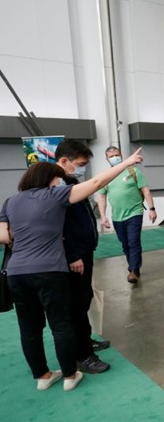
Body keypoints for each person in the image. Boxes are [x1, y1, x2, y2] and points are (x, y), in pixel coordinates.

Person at [0, 150, 143, 391]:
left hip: (16, 273)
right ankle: (69, 376)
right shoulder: (54, 195)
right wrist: (127, 162)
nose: (61, 182)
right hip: (49, 271)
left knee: (29, 327)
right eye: (57, 180)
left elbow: (4, 236)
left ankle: (43, 377)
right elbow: (97, 182)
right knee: (61, 324)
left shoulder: (11, 201)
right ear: (49, 181)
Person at [55, 140, 111, 374]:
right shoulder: (56, 184)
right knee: (76, 305)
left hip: (83, 252)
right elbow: (59, 225)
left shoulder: (70, 181)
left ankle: (86, 342)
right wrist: (72, 254)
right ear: (64, 161)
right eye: (79, 164)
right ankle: (82, 355)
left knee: (84, 297)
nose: (82, 169)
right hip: (73, 256)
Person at [97, 146, 157, 284]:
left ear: (122, 155)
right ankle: (135, 267)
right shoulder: (106, 176)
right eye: (111, 156)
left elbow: (146, 191)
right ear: (106, 159)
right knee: (125, 244)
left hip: (135, 212)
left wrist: (152, 209)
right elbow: (101, 198)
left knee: (133, 241)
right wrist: (103, 216)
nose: (114, 158)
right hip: (117, 216)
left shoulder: (134, 171)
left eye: (116, 155)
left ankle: (133, 270)